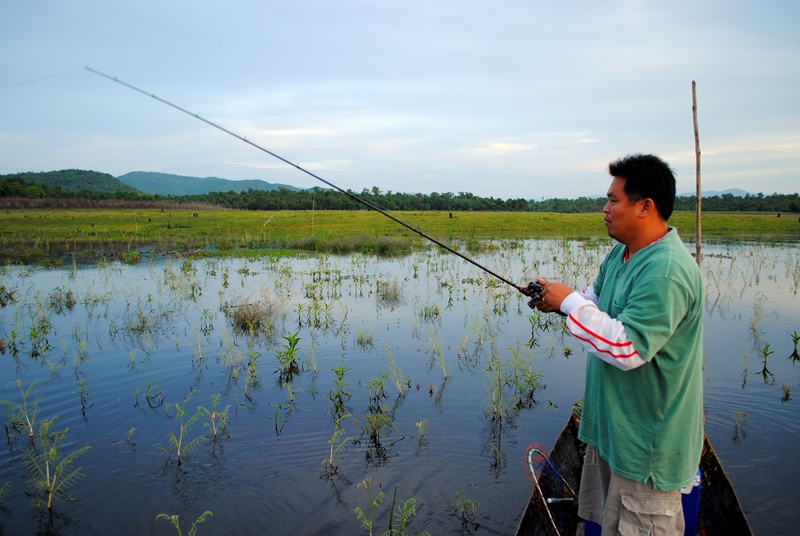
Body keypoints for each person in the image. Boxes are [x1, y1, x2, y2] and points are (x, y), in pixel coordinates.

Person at [532, 154, 704, 534]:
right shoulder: (622, 254)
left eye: (613, 200)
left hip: (647, 451)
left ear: (646, 207)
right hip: (612, 434)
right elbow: (594, 300)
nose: (605, 209)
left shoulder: (667, 270)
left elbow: (628, 349)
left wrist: (570, 303)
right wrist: (558, 300)